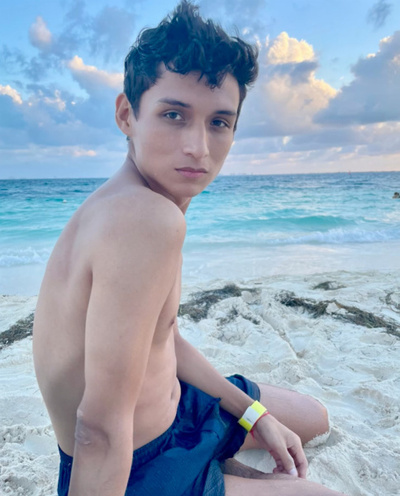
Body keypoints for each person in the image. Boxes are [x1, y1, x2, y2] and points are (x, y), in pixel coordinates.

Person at [33, 2, 345, 495]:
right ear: (127, 115)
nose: (198, 147)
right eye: (174, 115)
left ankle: (226, 463)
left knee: (313, 418)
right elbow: (97, 431)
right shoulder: (142, 219)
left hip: (182, 411)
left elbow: (164, 337)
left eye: (219, 122)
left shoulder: (154, 201)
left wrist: (254, 413)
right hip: (141, 469)